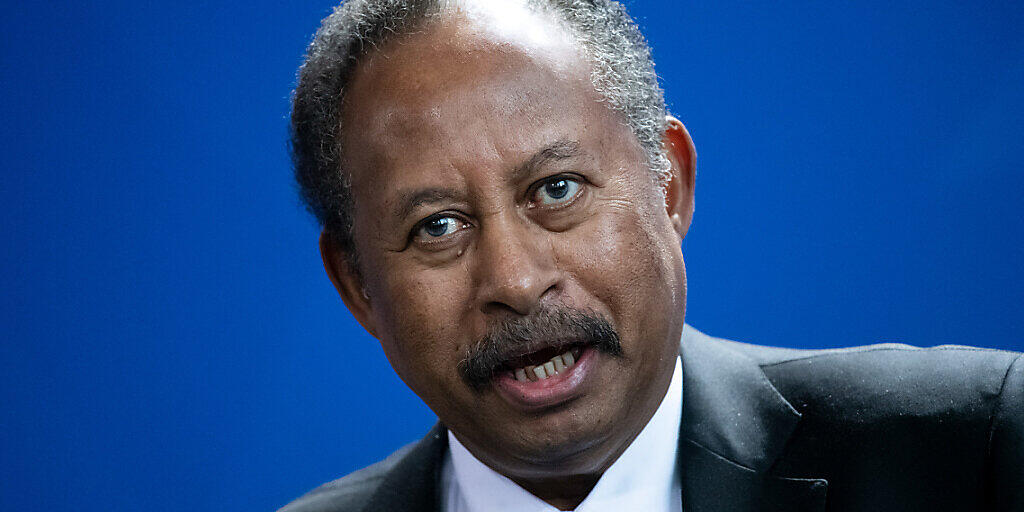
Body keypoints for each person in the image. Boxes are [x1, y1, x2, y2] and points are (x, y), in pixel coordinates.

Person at [280, 1, 1023, 510]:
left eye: (557, 188)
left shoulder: (981, 451)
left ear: (669, 186)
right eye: (438, 227)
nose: (515, 278)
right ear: (358, 288)